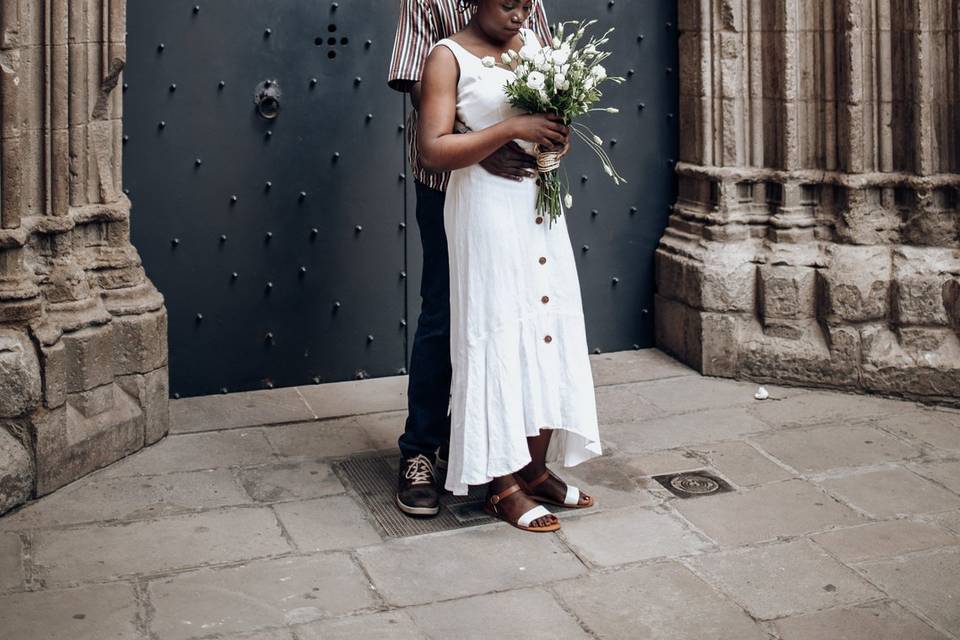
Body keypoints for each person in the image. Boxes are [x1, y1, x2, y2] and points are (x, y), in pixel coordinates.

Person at [416, 0, 602, 532]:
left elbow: (545, 124)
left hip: (536, 203)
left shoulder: (535, 48)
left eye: (528, 3)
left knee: (544, 323)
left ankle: (535, 468)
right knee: (495, 330)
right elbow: (432, 149)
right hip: (484, 208)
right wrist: (507, 129)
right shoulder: (447, 57)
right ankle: (501, 485)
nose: (521, 14)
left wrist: (555, 140)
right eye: (509, 3)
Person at [387, 0, 553, 517]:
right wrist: (479, 142)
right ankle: (420, 450)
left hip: (516, 184)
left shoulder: (526, 3)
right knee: (445, 310)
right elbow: (418, 83)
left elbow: (545, 67)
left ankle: (504, 453)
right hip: (450, 182)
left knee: (517, 313)